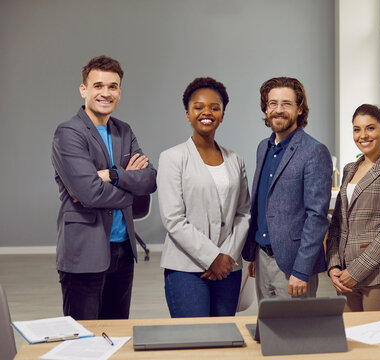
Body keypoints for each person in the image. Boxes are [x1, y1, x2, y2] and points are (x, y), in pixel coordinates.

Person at [51, 55, 157, 320]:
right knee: (84, 340)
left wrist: (110, 175)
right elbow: (89, 192)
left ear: (120, 91)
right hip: (85, 251)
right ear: (84, 90)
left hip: (122, 250)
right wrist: (128, 188)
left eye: (113, 86)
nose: (106, 93)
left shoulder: (124, 130)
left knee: (117, 335)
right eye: (98, 86)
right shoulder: (68, 133)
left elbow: (150, 179)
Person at [157, 77, 251, 317]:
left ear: (222, 114)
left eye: (214, 107)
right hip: (186, 268)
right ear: (188, 114)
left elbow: (244, 213)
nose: (206, 112)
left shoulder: (235, 160)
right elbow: (173, 220)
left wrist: (226, 256)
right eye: (198, 107)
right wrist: (212, 257)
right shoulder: (172, 158)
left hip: (228, 267)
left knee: (225, 339)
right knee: (194, 342)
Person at [242, 77, 333, 300]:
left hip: (294, 265)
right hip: (262, 258)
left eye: (286, 104)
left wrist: (301, 270)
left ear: (300, 109)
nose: (278, 110)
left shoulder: (314, 151)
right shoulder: (263, 147)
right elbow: (262, 203)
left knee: (295, 332)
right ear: (265, 108)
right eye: (273, 103)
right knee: (268, 329)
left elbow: (316, 217)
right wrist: (254, 253)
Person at [326, 104, 380, 311]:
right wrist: (334, 265)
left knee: (378, 342)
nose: (363, 135)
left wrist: (356, 271)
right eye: (357, 129)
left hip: (377, 277)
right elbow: (337, 223)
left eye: (370, 128)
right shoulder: (349, 169)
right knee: (351, 341)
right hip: (344, 278)